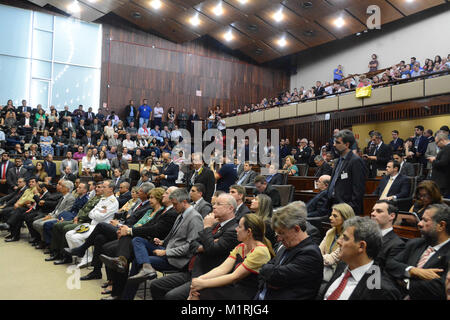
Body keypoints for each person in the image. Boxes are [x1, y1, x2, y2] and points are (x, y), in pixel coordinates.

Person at [150, 193, 239, 300]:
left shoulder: (233, 230)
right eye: (214, 203)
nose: (214, 206)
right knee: (156, 285)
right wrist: (204, 245)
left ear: (230, 208)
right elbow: (193, 243)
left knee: (172, 296)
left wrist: (207, 227)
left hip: (207, 276)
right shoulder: (215, 224)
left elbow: (211, 249)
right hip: (191, 270)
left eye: (218, 204)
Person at [188, 214, 274, 300]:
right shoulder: (241, 246)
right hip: (235, 287)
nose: (236, 229)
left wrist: (203, 283)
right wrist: (199, 280)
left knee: (200, 292)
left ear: (248, 232)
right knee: (197, 290)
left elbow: (235, 276)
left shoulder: (260, 251)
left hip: (248, 293)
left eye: (239, 227)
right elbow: (222, 269)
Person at [321, 216, 402, 300]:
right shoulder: (343, 266)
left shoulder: (381, 290)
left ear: (361, 246)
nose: (338, 241)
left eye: (345, 238)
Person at [255, 202, 323, 300]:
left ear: (296, 228)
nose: (279, 239)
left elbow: (275, 276)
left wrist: (269, 275)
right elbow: (263, 270)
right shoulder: (285, 247)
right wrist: (268, 277)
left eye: (282, 233)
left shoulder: (310, 254)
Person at [386, 204, 450, 300]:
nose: (419, 223)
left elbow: (440, 288)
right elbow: (390, 264)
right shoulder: (416, 243)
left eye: (425, 220)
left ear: (441, 225)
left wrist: (406, 282)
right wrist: (412, 270)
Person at [327, 129, 367, 215]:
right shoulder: (338, 160)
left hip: (347, 209)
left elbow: (358, 189)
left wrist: (350, 207)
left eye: (337, 142)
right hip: (333, 205)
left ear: (347, 144)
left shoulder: (356, 161)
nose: (334, 145)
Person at [370, 200, 405, 269]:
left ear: (391, 216)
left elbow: (388, 273)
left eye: (379, 211)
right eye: (372, 211)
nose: (373, 214)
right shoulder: (365, 236)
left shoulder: (397, 245)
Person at [429, 131, 450, 198]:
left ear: (442, 140)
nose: (437, 145)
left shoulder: (447, 148)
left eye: (437, 143)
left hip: (442, 181)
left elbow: (443, 163)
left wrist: (433, 160)